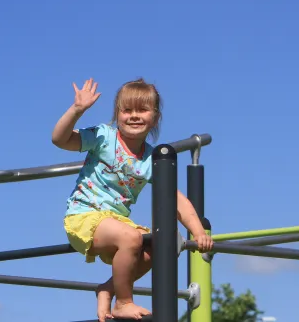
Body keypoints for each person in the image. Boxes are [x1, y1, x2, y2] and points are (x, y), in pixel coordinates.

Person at [52, 77, 214, 321]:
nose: (134, 116)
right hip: (83, 216)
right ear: (117, 114)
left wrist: (198, 231)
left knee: (163, 244)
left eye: (143, 110)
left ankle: (108, 289)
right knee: (132, 237)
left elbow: (176, 199)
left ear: (155, 117)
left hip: (116, 222)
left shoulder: (151, 158)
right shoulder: (103, 137)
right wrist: (77, 110)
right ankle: (123, 302)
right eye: (127, 110)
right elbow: (60, 139)